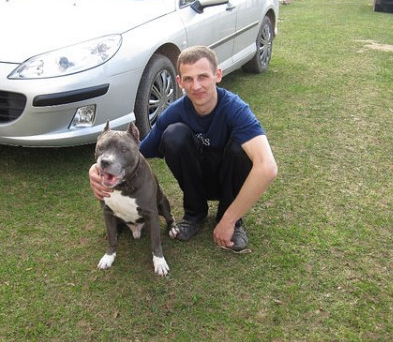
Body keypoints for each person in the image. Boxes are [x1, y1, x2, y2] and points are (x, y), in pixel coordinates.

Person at [89, 46, 277, 252]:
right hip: (196, 181)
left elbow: (267, 167)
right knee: (174, 134)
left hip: (229, 181)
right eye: (188, 79)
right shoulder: (175, 112)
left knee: (240, 148)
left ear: (218, 75)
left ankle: (230, 216)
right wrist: (96, 169)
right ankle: (194, 214)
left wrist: (229, 220)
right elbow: (137, 152)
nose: (196, 86)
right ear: (179, 82)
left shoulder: (236, 109)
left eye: (203, 77)